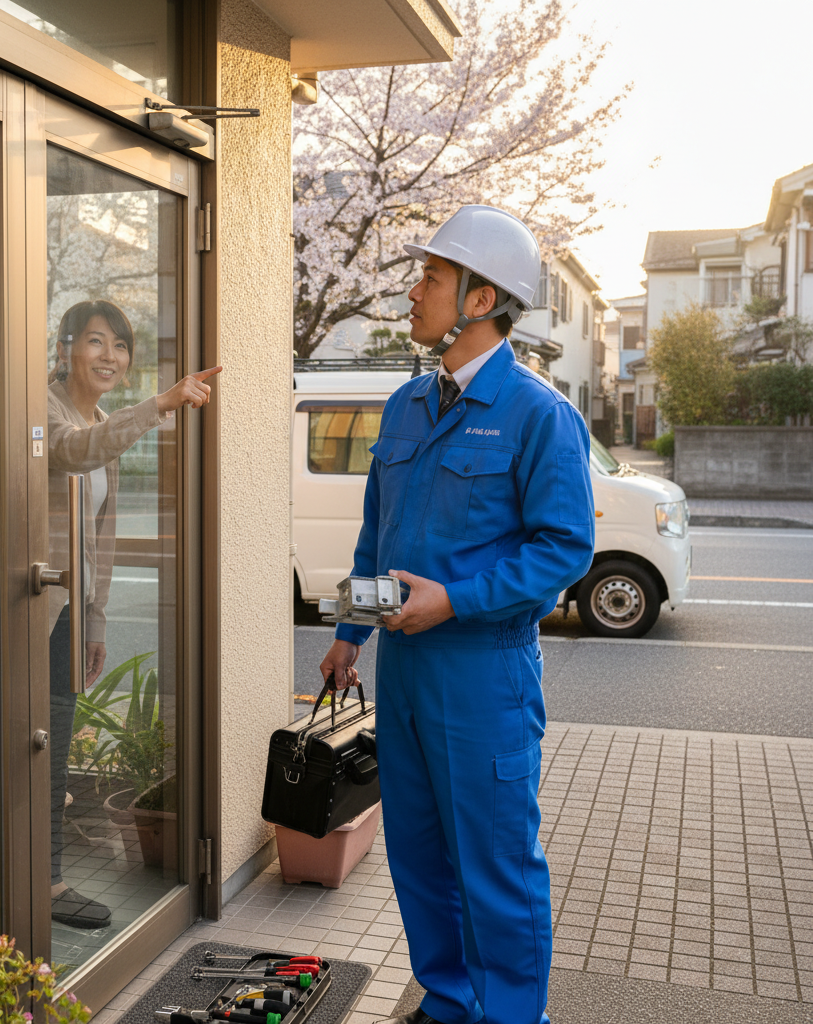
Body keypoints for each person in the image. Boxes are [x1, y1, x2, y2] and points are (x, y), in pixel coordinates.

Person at [320, 207, 595, 1024]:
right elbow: (380, 531)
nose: (413, 292)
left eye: (431, 279)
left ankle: (511, 1015)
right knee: (417, 852)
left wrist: (457, 600)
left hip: (485, 671)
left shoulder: (539, 414)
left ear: (481, 301)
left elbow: (564, 549)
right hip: (404, 672)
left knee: (495, 863)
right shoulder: (406, 404)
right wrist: (347, 632)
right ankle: (447, 1001)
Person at [0, 299, 220, 939]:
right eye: (95, 342)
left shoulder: (100, 420)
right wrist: (160, 405)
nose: (110, 356)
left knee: (51, 752)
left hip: (60, 605)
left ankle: (47, 884)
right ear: (66, 348)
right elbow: (68, 453)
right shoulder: (36, 412)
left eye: (120, 346)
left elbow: (97, 536)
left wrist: (94, 621)